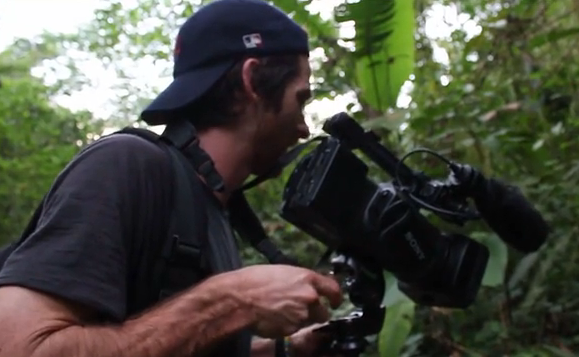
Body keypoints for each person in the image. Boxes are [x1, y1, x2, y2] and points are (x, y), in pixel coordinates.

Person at [0, 0, 345, 356]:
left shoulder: (212, 209)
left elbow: (171, 340)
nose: (304, 129)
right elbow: (18, 348)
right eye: (300, 100)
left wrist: (285, 349)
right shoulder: (125, 166)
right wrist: (232, 302)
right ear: (252, 79)